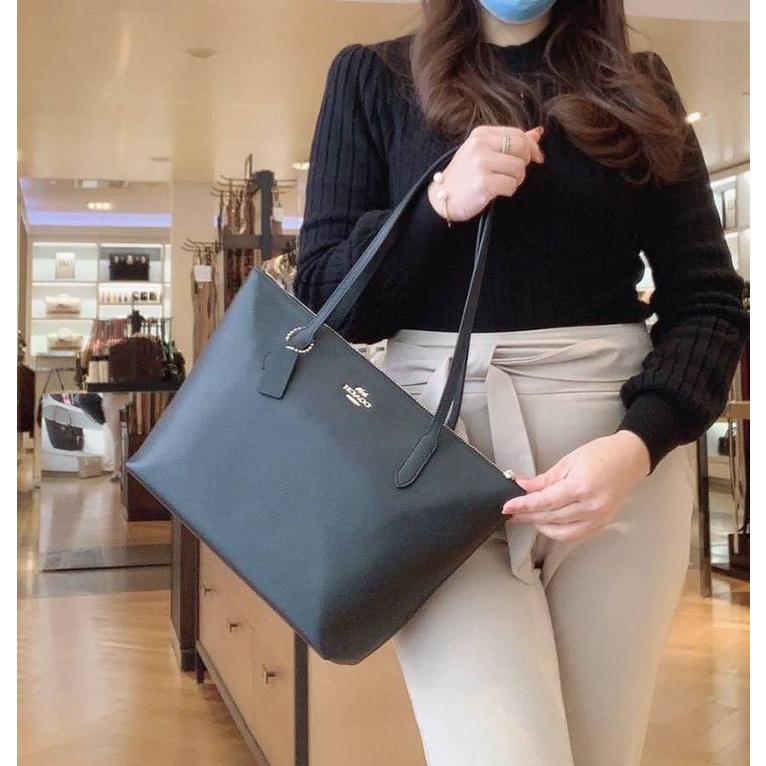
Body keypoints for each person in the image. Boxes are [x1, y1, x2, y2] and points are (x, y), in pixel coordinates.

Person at [294, 1, 749, 764]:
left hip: (619, 480)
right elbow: (324, 301)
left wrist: (636, 448)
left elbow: (708, 302)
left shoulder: (638, 85)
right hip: (435, 474)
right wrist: (436, 205)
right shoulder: (373, 78)